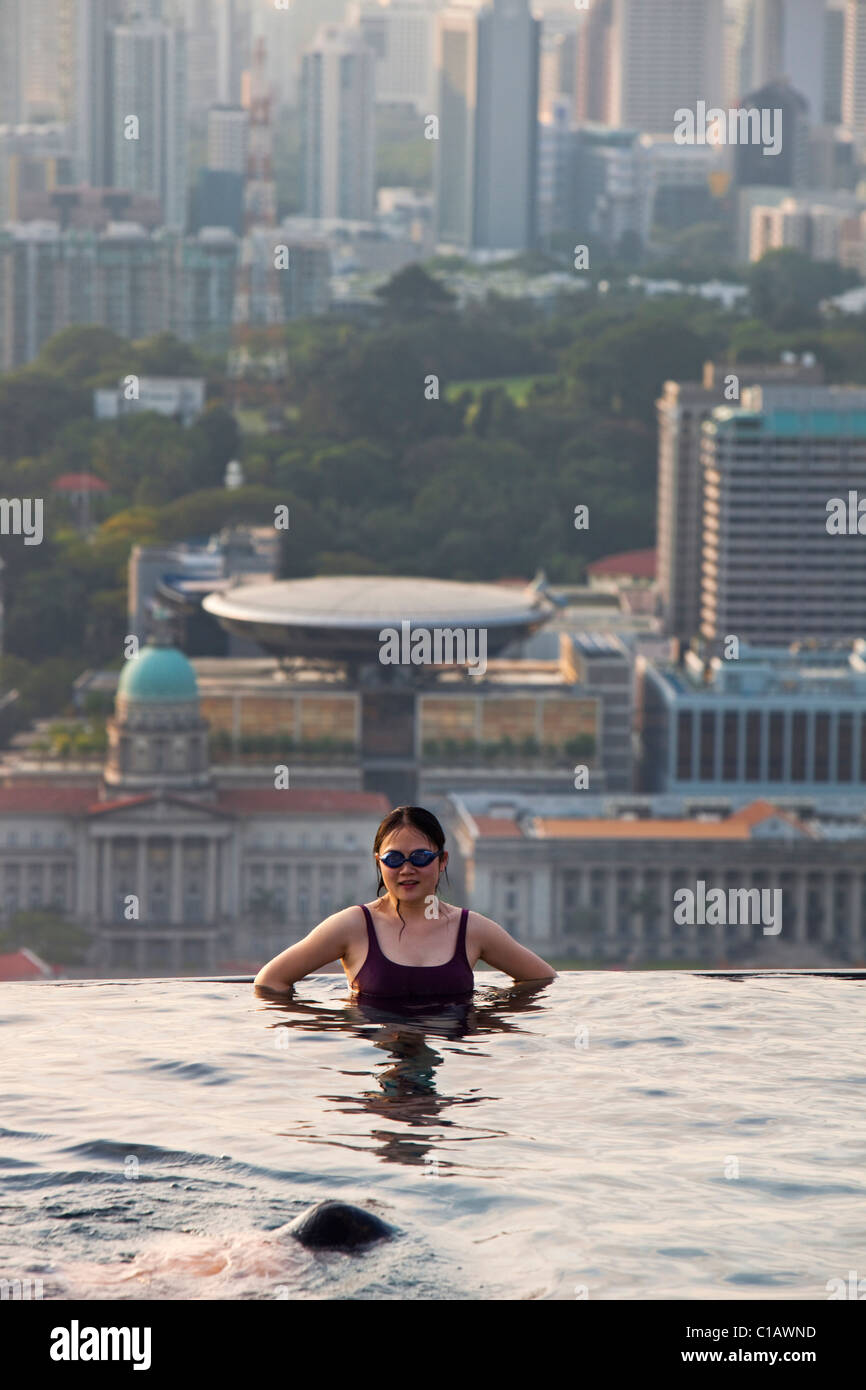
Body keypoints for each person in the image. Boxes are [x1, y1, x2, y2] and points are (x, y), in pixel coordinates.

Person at [254, 805, 557, 999]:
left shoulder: (471, 929)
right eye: (394, 859)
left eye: (421, 858)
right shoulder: (353, 926)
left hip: (450, 1078)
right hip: (377, 1072)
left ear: (442, 861)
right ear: (379, 863)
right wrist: (331, 1028)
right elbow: (270, 981)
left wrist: (489, 1021)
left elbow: (542, 978)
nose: (407, 869)